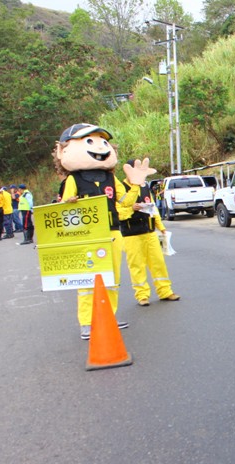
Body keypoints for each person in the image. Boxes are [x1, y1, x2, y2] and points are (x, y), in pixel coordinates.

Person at [55, 123, 149, 340]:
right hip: (86, 236)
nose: (99, 147)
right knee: (88, 281)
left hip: (113, 232)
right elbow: (62, 210)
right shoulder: (73, 179)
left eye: (103, 142)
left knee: (112, 279)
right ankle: (86, 322)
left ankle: (109, 316)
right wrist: (69, 203)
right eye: (89, 142)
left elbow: (124, 200)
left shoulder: (110, 178)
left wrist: (135, 186)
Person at [117, 159, 180, 306]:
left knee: (158, 263)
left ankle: (165, 291)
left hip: (150, 232)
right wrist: (132, 209)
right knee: (137, 266)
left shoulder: (145, 187)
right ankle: (142, 295)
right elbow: (118, 212)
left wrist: (161, 227)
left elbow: (153, 209)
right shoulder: (121, 188)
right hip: (131, 234)